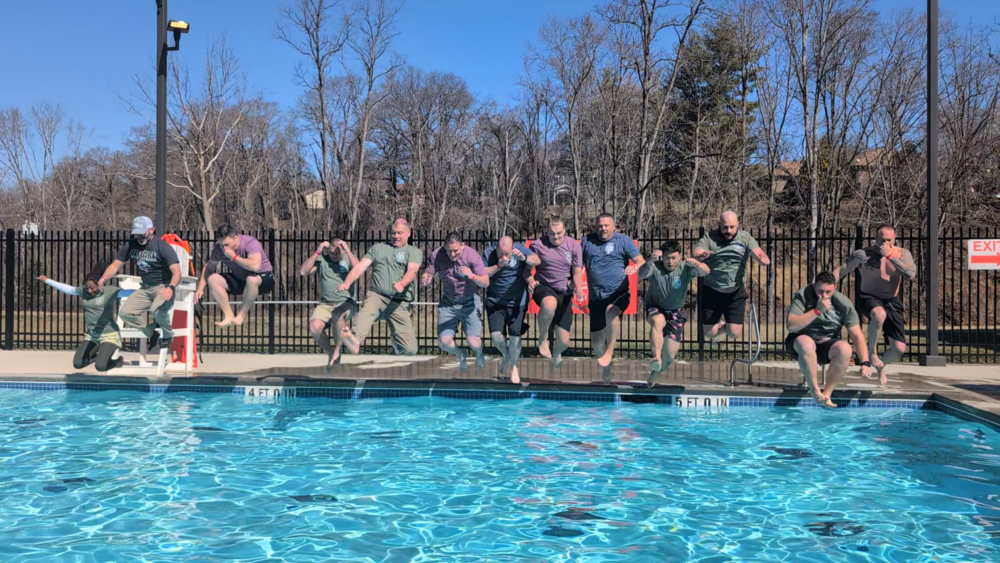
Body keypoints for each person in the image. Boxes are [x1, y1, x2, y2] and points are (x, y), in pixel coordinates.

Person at [835, 225, 916, 386]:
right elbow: (841, 270)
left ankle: (881, 367)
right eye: (882, 240)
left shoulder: (902, 254)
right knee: (879, 314)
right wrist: (825, 287)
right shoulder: (863, 255)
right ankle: (871, 353)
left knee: (898, 349)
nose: (885, 243)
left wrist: (890, 256)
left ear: (894, 239)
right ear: (876, 238)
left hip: (892, 300)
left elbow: (910, 274)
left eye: (889, 240)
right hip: (868, 297)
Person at [786, 272, 874, 408]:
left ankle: (826, 395)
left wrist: (865, 363)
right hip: (799, 343)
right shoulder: (804, 295)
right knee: (806, 343)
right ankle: (815, 391)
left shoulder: (843, 304)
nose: (824, 295)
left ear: (835, 287)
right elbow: (791, 325)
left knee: (845, 348)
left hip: (826, 345)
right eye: (820, 291)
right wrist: (817, 311)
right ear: (814, 286)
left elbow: (857, 336)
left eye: (828, 292)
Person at [338, 218, 422, 355]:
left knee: (410, 350)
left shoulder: (413, 251)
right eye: (393, 233)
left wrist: (402, 283)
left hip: (398, 301)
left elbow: (412, 270)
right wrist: (347, 282)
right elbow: (360, 267)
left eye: (400, 233)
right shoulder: (378, 248)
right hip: (378, 295)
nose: (396, 236)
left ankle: (397, 341)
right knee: (368, 309)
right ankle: (355, 339)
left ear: (408, 233)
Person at [99, 215, 181, 349]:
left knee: (156, 310)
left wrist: (171, 287)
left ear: (152, 230)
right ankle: (151, 333)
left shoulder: (162, 246)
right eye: (137, 235)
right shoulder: (130, 245)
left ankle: (167, 334)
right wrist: (104, 278)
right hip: (145, 289)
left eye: (143, 234)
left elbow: (177, 271)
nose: (140, 238)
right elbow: (115, 265)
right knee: (125, 312)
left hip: (163, 287)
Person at [581, 213, 645, 382]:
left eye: (607, 225)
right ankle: (606, 366)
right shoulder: (587, 241)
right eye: (600, 226)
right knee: (596, 342)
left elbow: (640, 260)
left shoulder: (623, 241)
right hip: (596, 297)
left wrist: (635, 267)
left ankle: (610, 352)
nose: (603, 229)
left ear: (614, 227)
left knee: (611, 312)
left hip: (619, 292)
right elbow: (576, 263)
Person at [692, 210, 771, 344]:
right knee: (710, 334)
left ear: (737, 225)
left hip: (735, 292)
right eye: (725, 227)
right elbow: (696, 252)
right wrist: (702, 255)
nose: (728, 230)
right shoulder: (710, 237)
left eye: (732, 227)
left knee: (734, 333)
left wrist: (762, 259)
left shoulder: (745, 237)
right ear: (719, 225)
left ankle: (723, 327)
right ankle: (716, 327)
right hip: (712, 290)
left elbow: (758, 252)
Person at [639, 240, 709, 387]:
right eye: (667, 258)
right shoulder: (656, 267)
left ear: (680, 257)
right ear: (662, 257)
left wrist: (697, 264)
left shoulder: (685, 268)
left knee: (670, 356)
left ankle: (657, 370)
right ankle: (656, 358)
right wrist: (650, 260)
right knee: (657, 321)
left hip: (675, 313)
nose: (670, 262)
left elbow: (706, 271)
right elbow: (641, 274)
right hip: (655, 307)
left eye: (673, 258)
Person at [421, 232, 490, 372]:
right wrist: (426, 278)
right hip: (449, 303)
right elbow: (428, 272)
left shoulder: (472, 256)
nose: (452, 254)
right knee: (444, 342)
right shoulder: (438, 255)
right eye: (449, 250)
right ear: (444, 247)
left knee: (474, 343)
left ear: (462, 245)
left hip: (470, 302)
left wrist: (472, 276)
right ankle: (460, 354)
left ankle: (479, 353)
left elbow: (486, 282)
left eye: (455, 251)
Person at [39, 262, 125, 372]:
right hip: (92, 335)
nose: (89, 291)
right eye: (87, 287)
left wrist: (149, 292)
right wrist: (48, 280)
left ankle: (116, 362)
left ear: (99, 284)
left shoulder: (108, 291)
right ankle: (99, 356)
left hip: (109, 335)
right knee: (78, 363)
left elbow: (127, 293)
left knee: (101, 367)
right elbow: (69, 289)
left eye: (92, 288)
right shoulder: (84, 291)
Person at [526, 217, 585, 368]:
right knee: (549, 303)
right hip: (544, 286)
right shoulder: (537, 245)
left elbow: (577, 272)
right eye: (552, 233)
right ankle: (542, 339)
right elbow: (526, 271)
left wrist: (577, 286)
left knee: (564, 342)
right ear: (547, 232)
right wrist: (531, 281)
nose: (556, 237)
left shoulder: (573, 245)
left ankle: (557, 352)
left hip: (564, 292)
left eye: (559, 233)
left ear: (564, 231)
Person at [483, 236, 540, 383]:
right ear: (496, 248)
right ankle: (506, 355)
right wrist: (499, 265)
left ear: (512, 248)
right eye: (500, 252)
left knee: (515, 338)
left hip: (516, 302)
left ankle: (514, 366)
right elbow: (482, 274)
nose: (503, 256)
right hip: (495, 301)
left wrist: (524, 258)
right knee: (496, 336)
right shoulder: (489, 253)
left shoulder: (519, 250)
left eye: (506, 253)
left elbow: (537, 260)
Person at [195, 225, 275, 327]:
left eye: (227, 244)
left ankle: (241, 316)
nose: (224, 248)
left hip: (263, 280)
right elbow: (209, 268)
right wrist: (200, 288)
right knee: (213, 279)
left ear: (236, 238)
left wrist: (234, 257)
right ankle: (228, 316)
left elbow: (255, 266)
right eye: (221, 244)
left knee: (252, 279)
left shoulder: (250, 243)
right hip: (241, 281)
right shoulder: (219, 249)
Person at [299, 238, 360, 367]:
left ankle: (338, 351)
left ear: (342, 250)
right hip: (326, 304)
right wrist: (318, 251)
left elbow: (359, 269)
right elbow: (303, 272)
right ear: (328, 251)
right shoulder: (322, 260)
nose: (334, 256)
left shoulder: (348, 259)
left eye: (337, 254)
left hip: (346, 302)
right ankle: (331, 353)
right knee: (314, 326)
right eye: (331, 253)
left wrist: (347, 249)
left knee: (338, 315)